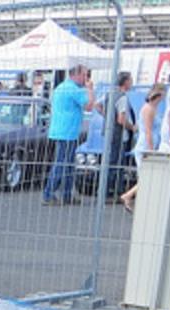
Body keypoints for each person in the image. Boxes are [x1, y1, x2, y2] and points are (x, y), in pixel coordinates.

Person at [42, 63, 95, 205]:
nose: (86, 78)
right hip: (68, 131)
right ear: (76, 74)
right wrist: (90, 90)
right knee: (62, 163)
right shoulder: (73, 89)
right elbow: (89, 106)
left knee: (68, 164)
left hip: (60, 130)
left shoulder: (61, 87)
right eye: (84, 75)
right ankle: (48, 193)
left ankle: (66, 194)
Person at [120, 82, 165, 213]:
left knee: (147, 176)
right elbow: (148, 131)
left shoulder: (151, 109)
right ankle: (128, 196)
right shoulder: (149, 109)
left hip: (148, 143)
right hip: (145, 145)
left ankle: (132, 197)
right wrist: (151, 150)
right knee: (147, 176)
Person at [105, 71, 136, 197]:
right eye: (131, 80)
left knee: (111, 161)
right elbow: (121, 119)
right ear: (126, 82)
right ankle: (114, 190)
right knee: (117, 163)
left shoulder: (110, 94)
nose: (132, 82)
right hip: (119, 135)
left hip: (109, 133)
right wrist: (132, 127)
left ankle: (108, 189)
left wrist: (108, 118)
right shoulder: (122, 98)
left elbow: (97, 106)